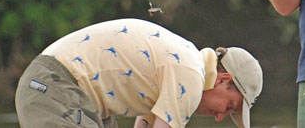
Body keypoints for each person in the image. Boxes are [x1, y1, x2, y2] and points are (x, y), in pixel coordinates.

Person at [15, 18, 263, 128]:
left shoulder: (177, 75)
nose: (220, 117)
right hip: (56, 86)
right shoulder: (191, 76)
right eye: (230, 106)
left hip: (67, 91)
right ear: (223, 79)